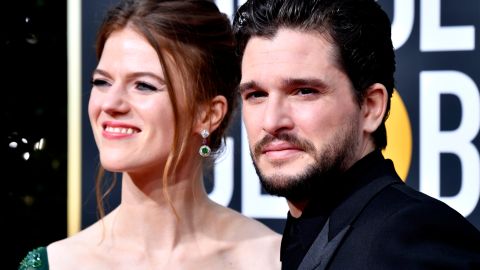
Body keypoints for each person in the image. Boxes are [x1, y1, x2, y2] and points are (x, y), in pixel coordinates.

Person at [19, 0, 281, 269]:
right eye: (102, 82)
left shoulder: (272, 259)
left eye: (143, 86)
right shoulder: (58, 263)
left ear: (208, 114)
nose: (110, 104)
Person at [233, 0, 480, 269]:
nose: (271, 121)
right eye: (256, 95)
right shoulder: (308, 233)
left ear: (371, 107)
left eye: (304, 91)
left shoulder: (411, 238)